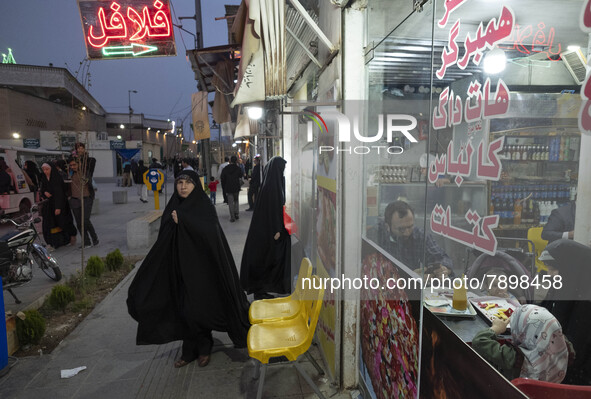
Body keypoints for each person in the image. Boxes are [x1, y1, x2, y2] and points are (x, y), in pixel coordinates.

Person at [126, 170, 250, 368]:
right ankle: (189, 349)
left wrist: (184, 220)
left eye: (188, 183)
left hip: (201, 270)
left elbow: (210, 233)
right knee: (181, 310)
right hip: (177, 268)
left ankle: (203, 346)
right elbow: (164, 235)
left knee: (196, 309)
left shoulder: (203, 206)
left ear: (196, 186)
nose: (183, 186)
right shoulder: (173, 205)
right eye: (179, 182)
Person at [472, 304, 573, 383]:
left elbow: (479, 341)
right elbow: (557, 333)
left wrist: (496, 329)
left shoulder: (515, 357)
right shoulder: (565, 349)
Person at [539, 239, 591, 385]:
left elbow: (575, 350)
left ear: (571, 268)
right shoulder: (565, 285)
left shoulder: (586, 304)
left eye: (553, 269)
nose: (549, 274)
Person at [240, 156, 291, 300]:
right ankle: (261, 289)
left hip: (265, 229)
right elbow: (273, 210)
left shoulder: (271, 183)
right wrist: (276, 229)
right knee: (266, 258)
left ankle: (263, 288)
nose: (283, 172)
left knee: (265, 258)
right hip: (269, 231)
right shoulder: (272, 187)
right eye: (282, 169)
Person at [366, 200, 453, 280]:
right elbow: (369, 272)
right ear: (387, 226)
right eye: (401, 229)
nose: (407, 232)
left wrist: (444, 269)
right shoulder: (375, 236)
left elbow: (441, 258)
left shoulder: (419, 236)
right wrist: (410, 277)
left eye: (410, 226)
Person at [39, 163, 77, 249]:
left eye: (47, 169)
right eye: (43, 170)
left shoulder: (57, 178)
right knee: (49, 224)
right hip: (49, 205)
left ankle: (69, 236)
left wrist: (58, 207)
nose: (45, 172)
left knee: (63, 222)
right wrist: (45, 192)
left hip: (60, 204)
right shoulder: (44, 178)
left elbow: (59, 194)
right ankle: (52, 242)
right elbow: (42, 189)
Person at [68, 157, 99, 248]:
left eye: (74, 165)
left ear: (80, 164)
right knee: (79, 222)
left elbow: (85, 182)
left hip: (86, 199)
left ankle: (94, 237)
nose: (73, 167)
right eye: (71, 165)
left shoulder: (85, 172)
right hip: (74, 200)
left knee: (85, 220)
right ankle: (86, 241)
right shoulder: (70, 173)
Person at [220, 156, 242, 222]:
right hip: (236, 187)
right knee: (236, 201)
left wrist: (224, 186)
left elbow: (222, 178)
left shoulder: (225, 168)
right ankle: (237, 214)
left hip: (228, 187)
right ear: (236, 161)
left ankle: (232, 217)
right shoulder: (238, 168)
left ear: (230, 161)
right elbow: (241, 176)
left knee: (230, 202)